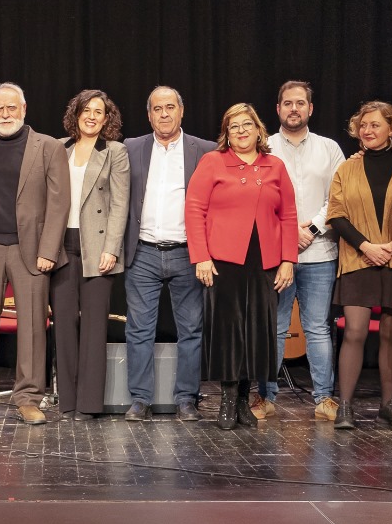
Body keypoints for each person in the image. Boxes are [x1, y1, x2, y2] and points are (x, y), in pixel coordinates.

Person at [0, 83, 70, 426]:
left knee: (34, 327)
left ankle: (28, 398)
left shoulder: (49, 147)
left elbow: (59, 202)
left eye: (12, 108)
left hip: (32, 249)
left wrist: (49, 250)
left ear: (23, 109)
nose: (5, 115)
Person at [187, 104, 298, 428]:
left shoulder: (274, 165)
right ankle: (226, 400)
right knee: (228, 332)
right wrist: (201, 257)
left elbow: (288, 215)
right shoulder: (213, 162)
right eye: (234, 126)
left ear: (259, 129)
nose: (241, 130)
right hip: (223, 260)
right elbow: (194, 209)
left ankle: (243, 402)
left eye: (247, 124)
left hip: (264, 261)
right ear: (226, 133)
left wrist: (288, 259)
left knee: (257, 333)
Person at [122, 87, 216, 421]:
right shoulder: (130, 148)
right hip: (143, 251)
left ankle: (187, 399)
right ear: (149, 115)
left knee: (190, 329)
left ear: (181, 111)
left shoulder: (205, 151)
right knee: (138, 329)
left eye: (170, 107)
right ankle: (140, 399)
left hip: (188, 253)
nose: (164, 114)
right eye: (157, 108)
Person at [325, 101, 392, 430]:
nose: (367, 131)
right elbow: (335, 214)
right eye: (363, 125)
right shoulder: (346, 169)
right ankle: (345, 407)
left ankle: (388, 405)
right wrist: (366, 246)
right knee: (354, 331)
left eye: (375, 125)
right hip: (357, 258)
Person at [260, 81, 345, 422]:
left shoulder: (329, 149)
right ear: (278, 109)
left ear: (310, 109)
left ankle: (324, 398)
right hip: (276, 256)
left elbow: (338, 197)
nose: (293, 108)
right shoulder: (263, 148)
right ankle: (265, 397)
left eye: (300, 103)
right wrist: (285, 234)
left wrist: (309, 230)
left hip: (320, 253)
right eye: (287, 103)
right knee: (274, 328)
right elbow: (258, 200)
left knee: (317, 328)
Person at [50, 90, 130, 419]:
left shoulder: (115, 152)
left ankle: (88, 404)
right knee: (63, 325)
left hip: (97, 247)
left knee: (95, 327)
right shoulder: (59, 148)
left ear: (107, 118)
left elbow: (120, 204)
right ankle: (67, 401)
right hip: (62, 246)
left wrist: (111, 248)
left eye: (99, 111)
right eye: (87, 110)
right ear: (77, 114)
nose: (92, 116)